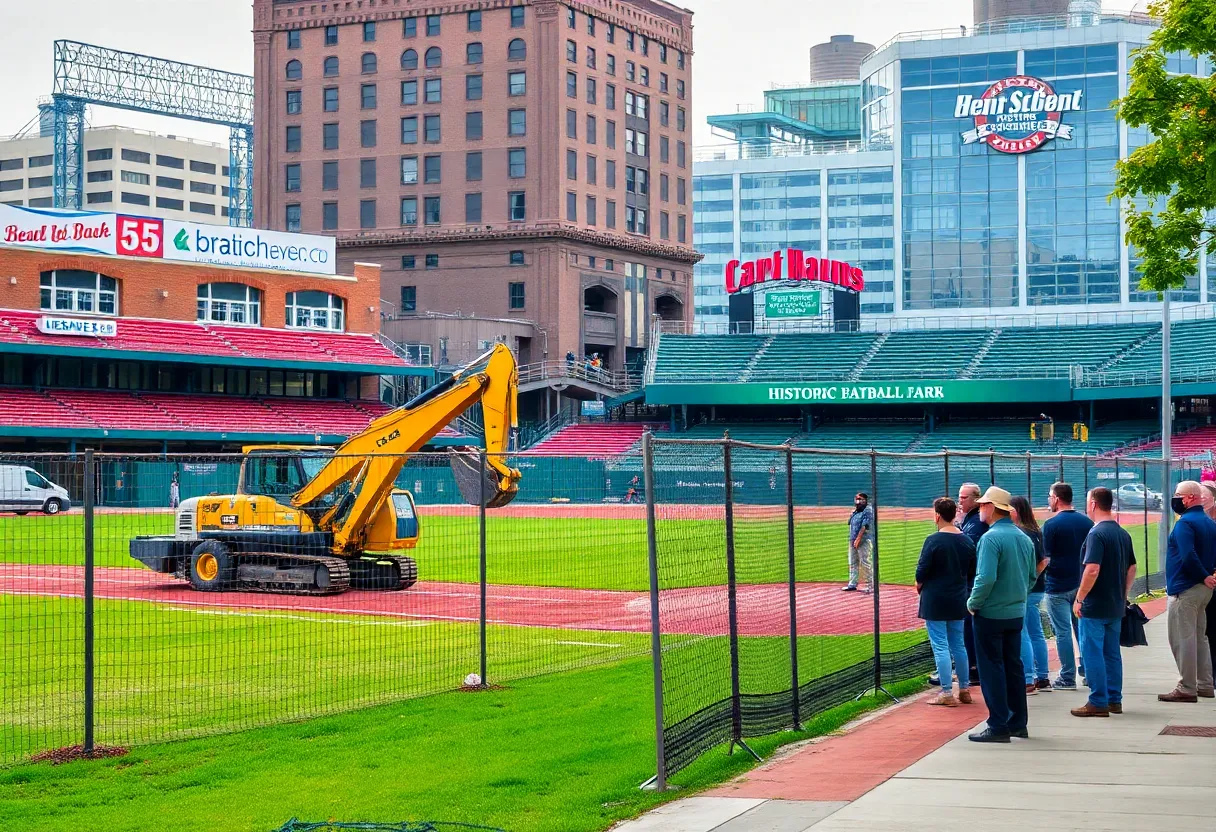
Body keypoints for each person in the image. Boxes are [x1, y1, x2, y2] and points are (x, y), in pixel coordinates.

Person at [966, 486, 1038, 743]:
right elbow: (1031, 576)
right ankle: (1018, 722)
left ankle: (998, 724)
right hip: (1015, 612)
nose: (980, 508)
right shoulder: (1023, 537)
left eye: (983, 504)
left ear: (991, 507)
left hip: (991, 613)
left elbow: (985, 577)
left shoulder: (990, 538)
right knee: (1013, 666)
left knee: (991, 668)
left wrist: (973, 603)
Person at [1071, 487, 1137, 717]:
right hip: (1115, 603)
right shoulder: (1122, 533)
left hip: (1095, 605)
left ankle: (1098, 700)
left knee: (1092, 652)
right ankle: (1113, 699)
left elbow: (1092, 569)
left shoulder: (1096, 534)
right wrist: (1123, 594)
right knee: (1112, 653)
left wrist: (1080, 598)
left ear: (1093, 504)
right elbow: (1132, 567)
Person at [916, 497, 977, 707]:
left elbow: (921, 572)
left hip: (935, 599)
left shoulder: (933, 540)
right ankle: (965, 689)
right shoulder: (967, 541)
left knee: (940, 646)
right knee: (958, 645)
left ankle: (946, 692)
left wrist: (920, 586)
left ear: (938, 515)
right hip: (958, 598)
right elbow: (971, 572)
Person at [1159, 480, 1216, 703]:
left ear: (1189, 497)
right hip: (1203, 589)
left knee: (1183, 638)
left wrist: (1203, 574)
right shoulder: (1210, 523)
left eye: (1178, 494)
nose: (1175, 498)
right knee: (1200, 638)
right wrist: (1208, 575)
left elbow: (1187, 554)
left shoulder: (1185, 524)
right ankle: (1205, 683)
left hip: (1185, 588)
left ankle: (1187, 686)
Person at [1042, 482, 1093, 690]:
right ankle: (1089, 672)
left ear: (1056, 498)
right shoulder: (1087, 522)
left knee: (1062, 632)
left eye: (1049, 496)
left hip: (1057, 586)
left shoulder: (1051, 525)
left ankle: (1068, 676)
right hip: (1081, 585)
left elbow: (1045, 558)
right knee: (1082, 629)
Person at [1010, 495, 1050, 695]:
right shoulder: (1036, 531)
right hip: (1038, 588)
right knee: (1036, 633)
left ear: (1016, 511)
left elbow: (1042, 562)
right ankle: (1042, 676)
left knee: (1023, 633)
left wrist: (1028, 580)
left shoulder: (1021, 533)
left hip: (1027, 589)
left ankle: (1028, 678)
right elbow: (1045, 560)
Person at [956, 482, 989, 684]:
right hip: (970, 581)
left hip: (972, 582)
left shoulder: (976, 523)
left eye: (963, 497)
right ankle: (971, 666)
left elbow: (968, 553)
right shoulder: (969, 520)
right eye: (959, 497)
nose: (959, 501)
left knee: (970, 626)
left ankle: (974, 668)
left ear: (976, 499)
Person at [842, 492, 874, 593]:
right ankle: (852, 584)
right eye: (856, 499)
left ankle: (870, 586)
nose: (858, 501)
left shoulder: (868, 510)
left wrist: (858, 539)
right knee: (852, 562)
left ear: (865, 500)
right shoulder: (856, 511)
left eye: (860, 499)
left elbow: (865, 526)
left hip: (863, 541)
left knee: (865, 562)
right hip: (852, 540)